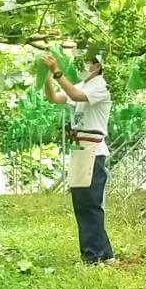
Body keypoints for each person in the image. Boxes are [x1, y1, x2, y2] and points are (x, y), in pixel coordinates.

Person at [41, 52, 114, 264]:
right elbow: (54, 98)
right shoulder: (83, 84)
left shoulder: (100, 86)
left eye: (88, 61)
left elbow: (74, 94)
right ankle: (105, 254)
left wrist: (56, 71)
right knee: (84, 204)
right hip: (81, 150)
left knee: (89, 204)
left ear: (98, 66)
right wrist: (47, 77)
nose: (83, 65)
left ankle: (93, 256)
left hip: (94, 150)